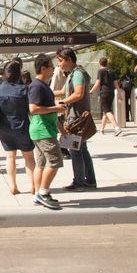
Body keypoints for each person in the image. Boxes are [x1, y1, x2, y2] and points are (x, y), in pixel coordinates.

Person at [54, 48, 96, 191]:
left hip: (76, 119)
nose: (59, 64)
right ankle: (90, 180)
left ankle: (79, 182)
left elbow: (78, 93)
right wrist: (46, 92)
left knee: (75, 150)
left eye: (60, 61)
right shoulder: (73, 74)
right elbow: (62, 92)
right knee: (82, 149)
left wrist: (63, 102)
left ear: (69, 59)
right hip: (77, 117)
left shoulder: (77, 74)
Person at [29, 54, 66, 210]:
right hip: (43, 131)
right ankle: (44, 192)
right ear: (43, 68)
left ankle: (38, 193)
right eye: (51, 66)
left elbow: (48, 111)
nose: (54, 69)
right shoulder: (37, 86)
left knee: (41, 163)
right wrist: (56, 108)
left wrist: (61, 129)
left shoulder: (43, 85)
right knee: (55, 161)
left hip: (44, 129)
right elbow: (34, 108)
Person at [0, 59, 36, 195]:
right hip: (22, 126)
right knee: (28, 157)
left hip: (3, 127)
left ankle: (13, 186)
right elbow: (30, 109)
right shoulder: (24, 89)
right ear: (19, 74)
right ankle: (33, 186)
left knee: (10, 157)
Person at [89, 57, 123, 136]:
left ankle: (116, 127)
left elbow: (98, 83)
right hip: (111, 93)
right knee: (106, 111)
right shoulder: (112, 71)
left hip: (104, 92)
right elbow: (116, 84)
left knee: (107, 111)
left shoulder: (100, 71)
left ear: (99, 63)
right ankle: (102, 129)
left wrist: (91, 91)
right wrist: (120, 94)